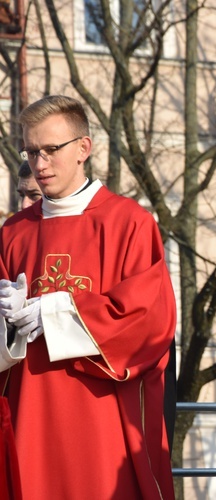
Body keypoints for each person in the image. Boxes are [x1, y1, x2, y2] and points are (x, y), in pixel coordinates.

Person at [0, 95, 176, 499]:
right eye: (30, 151)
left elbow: (149, 319)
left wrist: (56, 312)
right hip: (31, 416)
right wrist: (7, 323)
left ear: (84, 148)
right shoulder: (13, 232)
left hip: (101, 420)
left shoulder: (128, 223)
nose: (39, 164)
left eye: (50, 150)